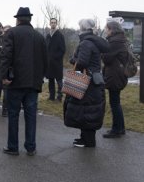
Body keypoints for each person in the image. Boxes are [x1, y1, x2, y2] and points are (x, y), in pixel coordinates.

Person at [1, 7, 47, 156]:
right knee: (31, 115)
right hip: (33, 82)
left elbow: (6, 56)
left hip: (16, 82)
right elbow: (45, 60)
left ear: (18, 19)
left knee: (13, 114)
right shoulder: (39, 37)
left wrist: (4, 76)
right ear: (30, 19)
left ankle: (13, 147)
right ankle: (31, 147)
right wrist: (41, 77)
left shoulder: (11, 33)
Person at [64, 18, 109, 148]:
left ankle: (88, 141)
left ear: (83, 29)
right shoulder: (93, 41)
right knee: (89, 110)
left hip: (87, 82)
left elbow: (82, 62)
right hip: (94, 80)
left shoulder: (85, 43)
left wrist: (73, 59)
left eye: (79, 27)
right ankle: (85, 138)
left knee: (86, 110)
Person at [101, 21, 128, 138]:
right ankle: (120, 128)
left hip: (115, 76)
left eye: (106, 28)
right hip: (118, 75)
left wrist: (102, 53)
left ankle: (116, 130)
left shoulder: (114, 42)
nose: (105, 30)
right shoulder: (120, 40)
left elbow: (107, 59)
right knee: (116, 102)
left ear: (111, 29)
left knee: (114, 103)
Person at [45, 18, 66, 101]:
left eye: (54, 23)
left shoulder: (60, 35)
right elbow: (45, 48)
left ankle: (60, 96)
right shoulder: (48, 36)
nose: (53, 24)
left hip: (57, 63)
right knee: (50, 80)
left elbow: (62, 50)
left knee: (59, 80)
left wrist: (55, 57)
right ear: (50, 24)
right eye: (52, 22)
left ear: (56, 24)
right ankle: (51, 96)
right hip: (49, 63)